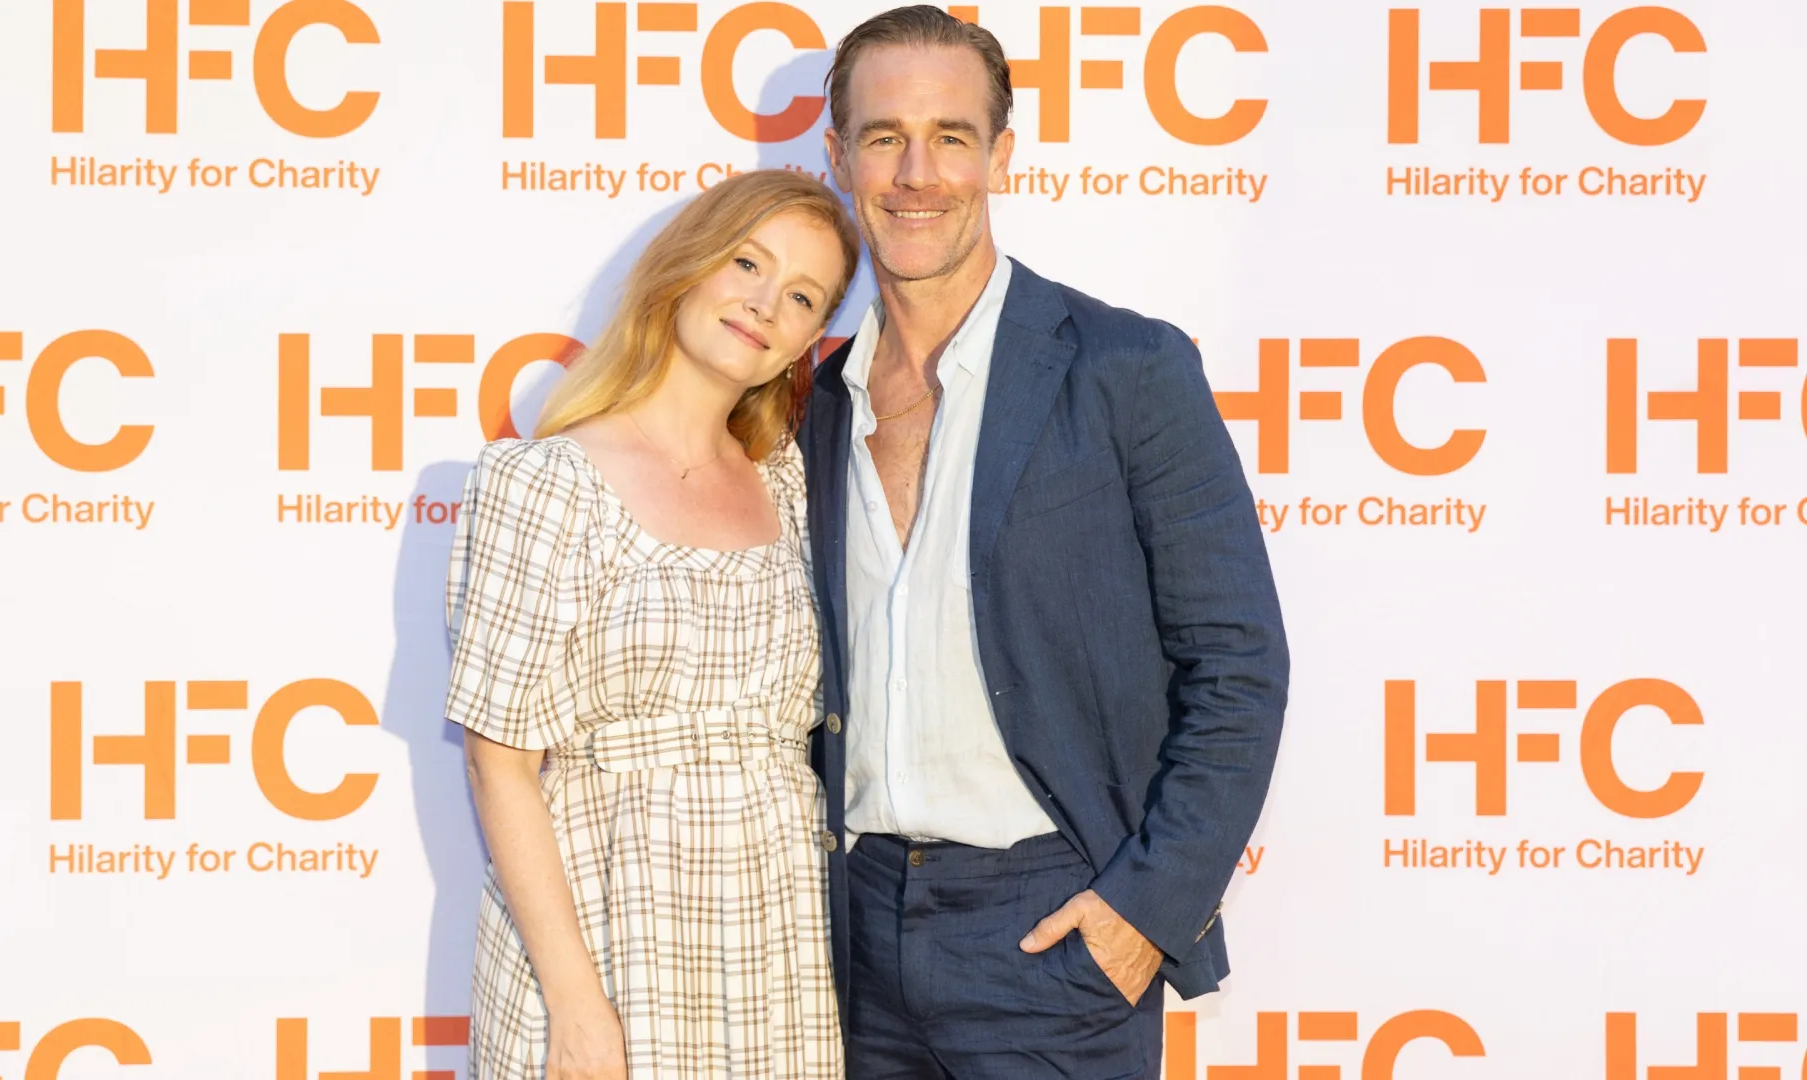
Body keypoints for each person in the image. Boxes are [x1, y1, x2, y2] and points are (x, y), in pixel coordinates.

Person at [798, 7, 1289, 1076]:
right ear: (838, 158)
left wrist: (1141, 912)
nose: (916, 174)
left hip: (1051, 924)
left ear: (1001, 155)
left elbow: (1239, 663)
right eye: (884, 137)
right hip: (849, 933)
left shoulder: (1125, 369)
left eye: (952, 137)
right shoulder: (809, 398)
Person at [443, 169, 858, 1079]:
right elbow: (498, 761)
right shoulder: (544, 481)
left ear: (806, 339)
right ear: (688, 261)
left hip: (775, 939)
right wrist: (578, 1008)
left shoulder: (788, 484)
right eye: (748, 261)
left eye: (800, 296)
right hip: (606, 925)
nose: (762, 303)